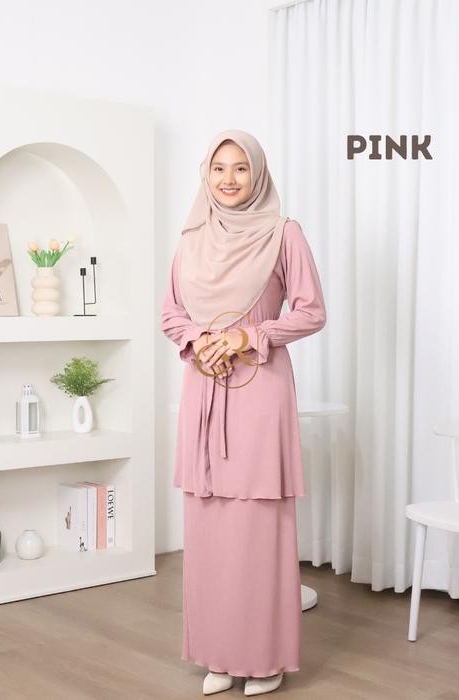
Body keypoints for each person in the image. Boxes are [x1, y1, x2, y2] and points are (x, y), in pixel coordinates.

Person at [161, 129, 326, 696]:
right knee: (208, 525)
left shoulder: (284, 233)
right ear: (205, 176)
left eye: (240, 168)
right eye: (218, 169)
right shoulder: (191, 239)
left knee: (258, 528)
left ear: (258, 174)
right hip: (203, 390)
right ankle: (219, 655)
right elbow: (170, 314)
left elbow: (311, 311)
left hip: (259, 392)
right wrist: (200, 340)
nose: (228, 179)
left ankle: (263, 658)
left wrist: (246, 337)